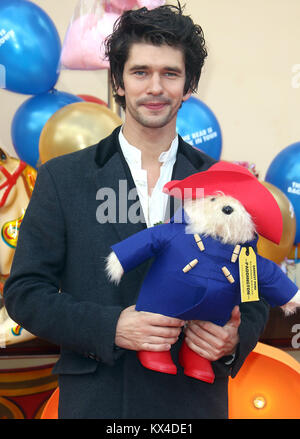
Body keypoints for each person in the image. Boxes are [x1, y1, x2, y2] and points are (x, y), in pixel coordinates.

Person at [3, 4, 269, 419]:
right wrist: (109, 327)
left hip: (191, 404)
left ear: (188, 84)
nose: (155, 88)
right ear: (119, 82)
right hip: (98, 399)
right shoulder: (63, 179)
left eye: (171, 73)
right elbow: (24, 293)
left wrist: (235, 338)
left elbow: (251, 290)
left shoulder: (225, 183)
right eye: (140, 72)